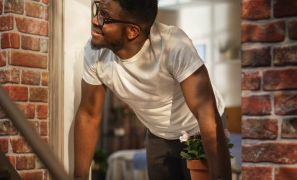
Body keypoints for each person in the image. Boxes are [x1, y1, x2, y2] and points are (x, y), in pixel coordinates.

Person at [74, 0, 232, 179]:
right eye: (97, 10)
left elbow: (206, 112)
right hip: (158, 133)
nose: (95, 20)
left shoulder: (173, 45)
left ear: (132, 31)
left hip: (199, 128)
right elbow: (88, 115)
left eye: (105, 16)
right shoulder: (96, 51)